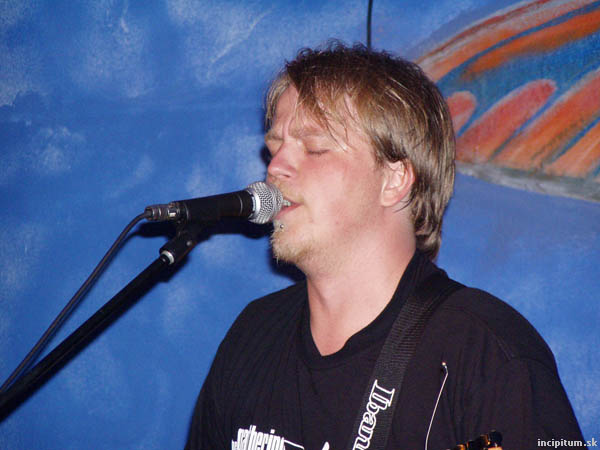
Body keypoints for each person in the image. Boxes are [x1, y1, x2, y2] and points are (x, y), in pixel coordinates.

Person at [186, 42, 583, 449]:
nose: (274, 168)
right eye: (273, 149)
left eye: (315, 148)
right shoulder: (253, 335)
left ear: (394, 181)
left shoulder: (486, 353)